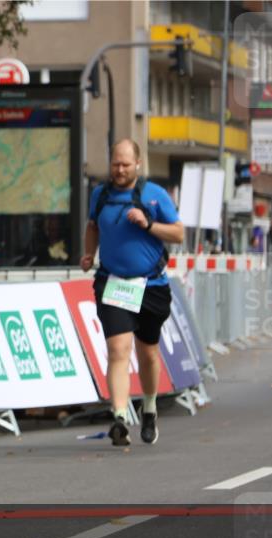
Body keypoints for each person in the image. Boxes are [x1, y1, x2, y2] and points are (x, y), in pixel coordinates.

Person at [80, 138, 184, 446]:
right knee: (118, 350)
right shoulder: (100, 195)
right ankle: (120, 417)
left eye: (126, 164)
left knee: (148, 352)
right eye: (115, 164)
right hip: (113, 282)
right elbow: (92, 226)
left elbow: (178, 233)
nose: (120, 170)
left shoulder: (155, 195)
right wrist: (88, 254)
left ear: (138, 164)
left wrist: (148, 223)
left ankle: (149, 408)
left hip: (151, 285)